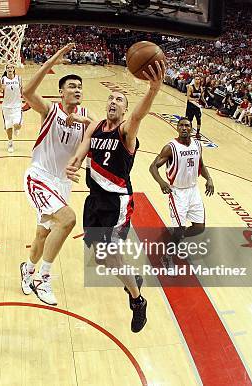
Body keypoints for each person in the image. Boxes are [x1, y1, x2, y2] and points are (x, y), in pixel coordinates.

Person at [66, 60, 166, 333]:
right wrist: (73, 163)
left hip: (116, 202)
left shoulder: (126, 132)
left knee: (112, 258)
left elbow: (137, 117)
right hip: (94, 200)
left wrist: (153, 91)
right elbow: (83, 147)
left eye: (119, 100)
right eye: (110, 98)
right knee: (101, 259)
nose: (113, 101)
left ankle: (138, 300)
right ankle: (132, 277)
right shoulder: (96, 126)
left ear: (124, 110)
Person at [20, 43, 97, 306]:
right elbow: (27, 91)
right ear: (61, 91)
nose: (77, 90)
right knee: (68, 220)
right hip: (39, 177)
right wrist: (53, 60)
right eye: (72, 86)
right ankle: (44, 277)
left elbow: (92, 141)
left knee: (42, 235)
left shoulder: (88, 117)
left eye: (80, 87)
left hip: (62, 184)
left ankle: (28, 270)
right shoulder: (49, 110)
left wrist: (79, 160)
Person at [149, 117, 214, 270]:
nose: (184, 128)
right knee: (178, 230)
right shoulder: (170, 147)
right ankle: (167, 256)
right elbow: (153, 167)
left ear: (191, 128)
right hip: (177, 192)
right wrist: (161, 182)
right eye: (181, 126)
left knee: (199, 227)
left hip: (193, 190)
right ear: (177, 128)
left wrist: (209, 178)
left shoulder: (198, 145)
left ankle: (175, 238)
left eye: (187, 126)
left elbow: (201, 165)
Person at [0, 64, 23, 153]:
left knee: (17, 124)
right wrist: (0, 89)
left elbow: (22, 91)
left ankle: (16, 128)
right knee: (8, 126)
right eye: (8, 68)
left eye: (11, 67)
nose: (10, 69)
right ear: (6, 70)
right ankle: (10, 142)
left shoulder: (19, 79)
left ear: (14, 69)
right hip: (6, 107)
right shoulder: (2, 80)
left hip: (17, 106)